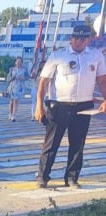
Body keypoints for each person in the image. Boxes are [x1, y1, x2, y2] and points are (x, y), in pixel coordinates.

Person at [34, 24, 106, 188]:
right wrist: (39, 106)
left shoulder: (95, 56)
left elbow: (102, 80)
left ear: (88, 39)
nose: (78, 41)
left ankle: (72, 177)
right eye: (75, 38)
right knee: (51, 144)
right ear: (71, 38)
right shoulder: (58, 55)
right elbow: (44, 82)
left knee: (77, 144)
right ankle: (43, 176)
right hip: (59, 106)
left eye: (82, 38)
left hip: (84, 107)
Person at [6, 57, 28, 121]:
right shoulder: (12, 69)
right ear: (15, 62)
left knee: (16, 101)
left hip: (20, 87)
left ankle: (13, 115)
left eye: (20, 62)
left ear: (22, 63)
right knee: (11, 101)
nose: (19, 63)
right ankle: (10, 114)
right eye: (17, 61)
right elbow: (7, 79)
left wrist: (23, 78)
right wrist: (12, 78)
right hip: (12, 86)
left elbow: (27, 77)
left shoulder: (24, 69)